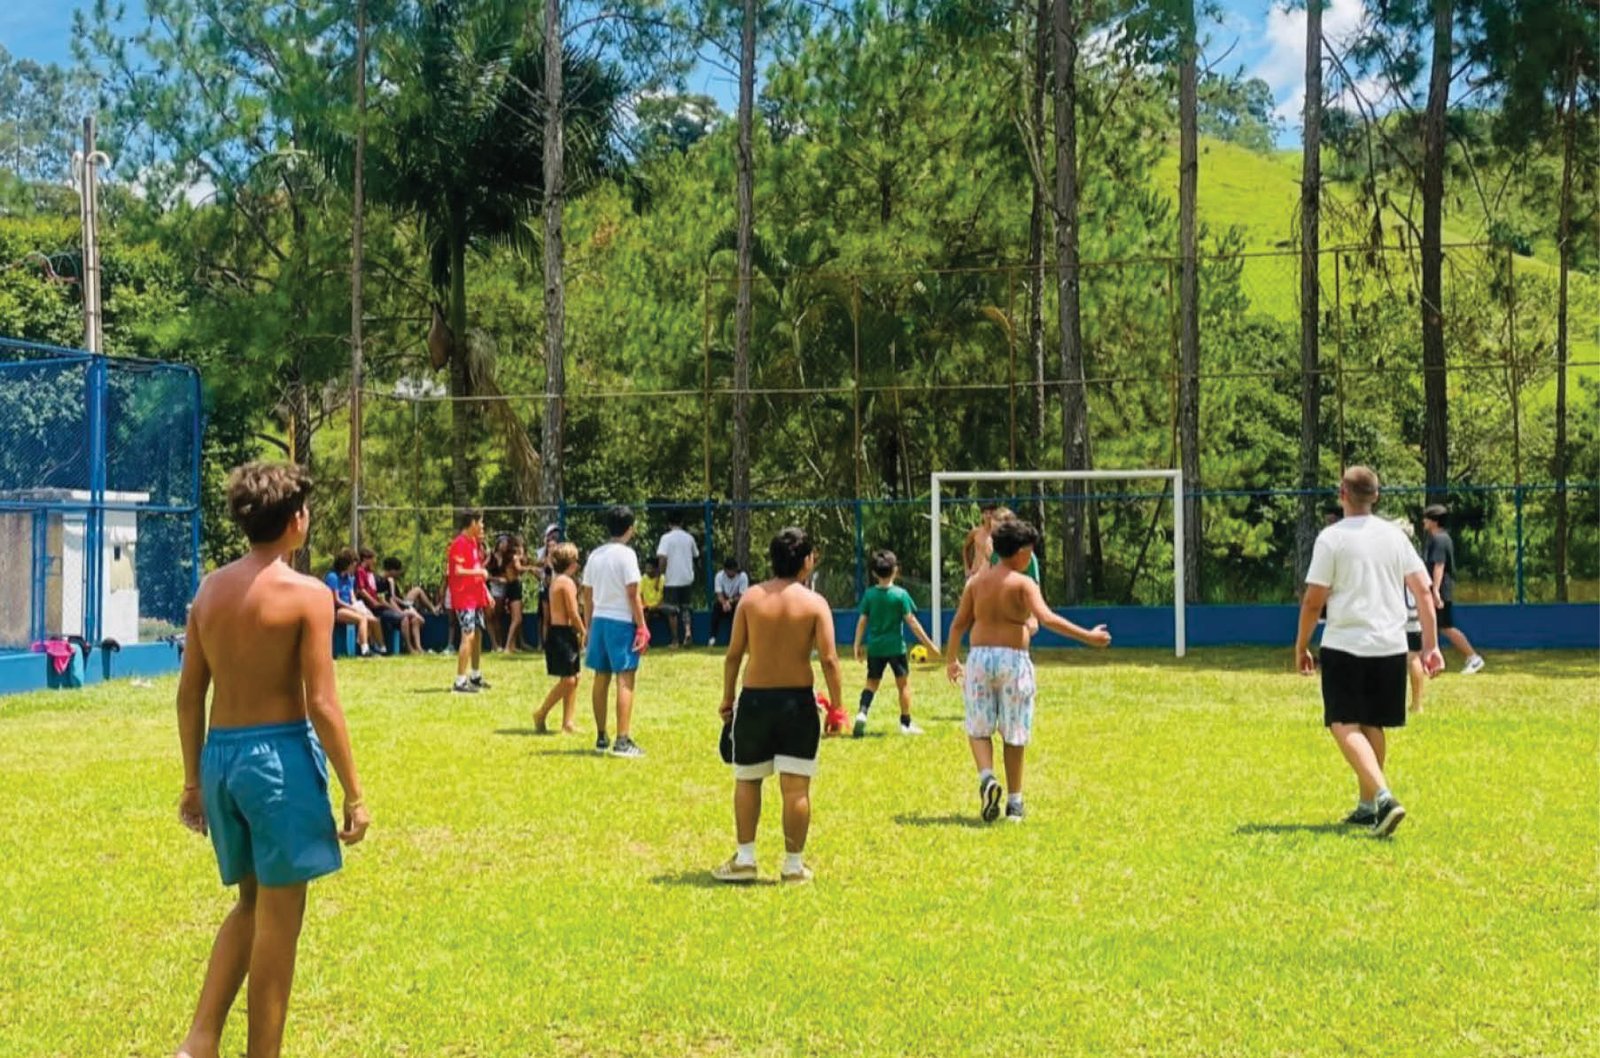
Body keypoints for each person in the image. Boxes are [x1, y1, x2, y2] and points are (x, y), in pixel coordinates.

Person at [173, 462, 369, 1058]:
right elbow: (323, 704)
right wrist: (355, 792)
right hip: (278, 762)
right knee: (279, 927)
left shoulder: (210, 591)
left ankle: (199, 1041)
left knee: (251, 903)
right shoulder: (308, 595)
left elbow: (189, 694)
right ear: (294, 521)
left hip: (221, 762)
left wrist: (192, 782)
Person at [1296, 467, 1443, 837]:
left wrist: (1301, 646)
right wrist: (1431, 646)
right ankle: (1367, 807)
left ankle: (1383, 797)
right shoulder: (1395, 536)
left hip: (1346, 645)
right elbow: (1423, 591)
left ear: (1342, 493)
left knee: (1343, 723)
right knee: (1372, 723)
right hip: (1391, 646)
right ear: (1376, 495)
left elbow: (1314, 600)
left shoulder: (1331, 538)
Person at [944, 517, 1110, 823]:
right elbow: (1047, 618)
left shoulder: (976, 583)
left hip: (979, 660)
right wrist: (1088, 636)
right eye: (1030, 551)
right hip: (1013, 662)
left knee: (978, 728)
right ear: (1021, 552)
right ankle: (1015, 803)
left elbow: (958, 625)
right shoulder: (1023, 583)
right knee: (1015, 732)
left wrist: (952, 660)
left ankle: (987, 777)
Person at [712, 527, 843, 885]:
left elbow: (733, 655)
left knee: (747, 780)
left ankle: (745, 859)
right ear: (806, 561)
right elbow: (829, 659)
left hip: (755, 700)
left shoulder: (751, 599)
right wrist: (837, 708)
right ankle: (793, 865)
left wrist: (727, 698)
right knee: (796, 787)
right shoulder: (815, 603)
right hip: (797, 703)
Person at [582, 505, 650, 758]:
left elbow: (587, 594)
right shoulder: (627, 555)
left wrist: (589, 627)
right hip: (621, 622)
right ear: (630, 528)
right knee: (625, 678)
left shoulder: (595, 555)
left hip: (599, 619)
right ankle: (622, 740)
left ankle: (601, 736)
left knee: (601, 677)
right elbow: (633, 593)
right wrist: (641, 625)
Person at [852, 549, 940, 737]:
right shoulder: (901, 595)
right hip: (896, 648)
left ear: (874, 573)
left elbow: (862, 621)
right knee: (903, 685)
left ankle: (862, 712)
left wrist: (856, 644)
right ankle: (905, 724)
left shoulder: (869, 595)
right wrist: (929, 644)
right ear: (895, 570)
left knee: (871, 683)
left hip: (875, 648)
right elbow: (912, 622)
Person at [1421, 504, 1485, 674]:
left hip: (1441, 590)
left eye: (1426, 518)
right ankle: (1425, 660)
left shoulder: (1439, 540)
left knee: (1445, 627)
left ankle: (1473, 657)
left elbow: (1439, 565)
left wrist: (1435, 591)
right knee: (1431, 625)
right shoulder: (1439, 538)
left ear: (1434, 521)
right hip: (1439, 590)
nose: (1424, 521)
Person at [535, 543, 586, 734]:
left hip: (560, 633)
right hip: (562, 634)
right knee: (569, 680)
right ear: (571, 563)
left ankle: (568, 722)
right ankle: (541, 712)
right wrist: (583, 631)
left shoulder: (557, 581)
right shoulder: (566, 582)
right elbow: (573, 612)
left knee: (574, 678)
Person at [447, 509, 492, 694]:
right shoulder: (458, 543)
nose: (482, 526)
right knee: (468, 635)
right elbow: (458, 571)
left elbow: (474, 566)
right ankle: (459, 681)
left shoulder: (473, 542)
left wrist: (486, 592)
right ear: (472, 523)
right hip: (463, 598)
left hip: (475, 597)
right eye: (480, 522)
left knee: (478, 634)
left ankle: (475, 676)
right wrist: (479, 572)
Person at [1391, 518, 1431, 714]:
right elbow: (1425, 587)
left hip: (1395, 616)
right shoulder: (1415, 560)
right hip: (1414, 615)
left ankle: (1393, 702)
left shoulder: (1393, 560)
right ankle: (1417, 704)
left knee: (1392, 660)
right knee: (1414, 658)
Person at [323, 550, 380, 656]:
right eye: (353, 565)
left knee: (371, 618)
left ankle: (373, 646)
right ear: (346, 564)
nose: (355, 568)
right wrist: (353, 608)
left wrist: (357, 606)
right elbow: (336, 600)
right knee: (362, 619)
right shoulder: (333, 577)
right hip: (336, 610)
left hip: (348, 607)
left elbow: (352, 596)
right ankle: (365, 650)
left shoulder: (349, 579)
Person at [656, 513, 700, 647]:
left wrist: (660, 575)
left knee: (672, 611)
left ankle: (675, 640)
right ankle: (687, 632)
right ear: (682, 523)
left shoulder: (666, 538)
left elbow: (662, 559)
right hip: (687, 578)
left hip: (672, 579)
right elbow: (696, 555)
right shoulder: (689, 537)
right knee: (686, 608)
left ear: (669, 524)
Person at [355, 547, 407, 653]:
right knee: (377, 619)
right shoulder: (360, 571)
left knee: (382, 619)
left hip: (377, 604)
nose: (374, 561)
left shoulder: (370, 573)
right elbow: (361, 590)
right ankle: (379, 646)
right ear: (365, 559)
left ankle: (381, 646)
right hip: (368, 605)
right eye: (372, 559)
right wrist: (373, 602)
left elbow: (375, 591)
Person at [375, 556, 426, 656]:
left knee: (416, 620)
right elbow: (384, 601)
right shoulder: (377, 581)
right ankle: (409, 648)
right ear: (392, 570)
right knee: (404, 618)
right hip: (383, 610)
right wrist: (401, 613)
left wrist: (403, 609)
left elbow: (393, 598)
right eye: (398, 571)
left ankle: (419, 648)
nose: (399, 574)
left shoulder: (389, 582)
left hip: (394, 609)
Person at [497, 534, 529, 653]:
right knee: (517, 619)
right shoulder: (514, 558)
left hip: (511, 587)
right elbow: (519, 568)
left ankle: (513, 645)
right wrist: (532, 568)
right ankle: (507, 646)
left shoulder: (508, 557)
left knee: (515, 618)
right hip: (514, 587)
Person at [711, 556, 748, 646]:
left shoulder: (742, 576)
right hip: (724, 601)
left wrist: (730, 602)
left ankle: (735, 639)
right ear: (725, 570)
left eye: (734, 570)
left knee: (738, 610)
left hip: (736, 601)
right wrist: (724, 603)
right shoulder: (719, 576)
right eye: (730, 570)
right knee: (716, 607)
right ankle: (712, 638)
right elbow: (719, 594)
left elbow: (742, 595)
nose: (732, 572)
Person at [961, 503, 999, 580]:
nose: (988, 516)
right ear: (982, 515)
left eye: (991, 513)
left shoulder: (999, 533)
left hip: (992, 574)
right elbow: (965, 548)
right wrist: (966, 568)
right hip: (975, 573)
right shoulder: (975, 532)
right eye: (986, 513)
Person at [640, 557, 670, 637]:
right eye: (646, 568)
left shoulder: (662, 579)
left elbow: (665, 595)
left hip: (659, 606)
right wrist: (644, 605)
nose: (647, 570)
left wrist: (658, 605)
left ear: (656, 569)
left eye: (649, 568)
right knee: (643, 613)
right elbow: (640, 595)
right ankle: (644, 638)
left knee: (672, 612)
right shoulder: (643, 578)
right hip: (647, 606)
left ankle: (675, 639)